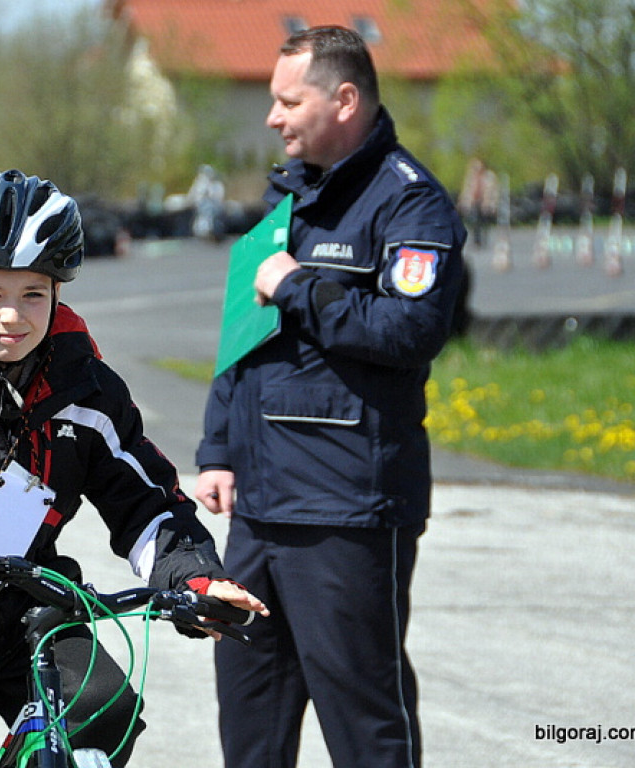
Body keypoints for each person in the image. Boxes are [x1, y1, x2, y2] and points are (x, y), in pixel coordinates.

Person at [0, 169, 266, 768]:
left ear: (58, 294)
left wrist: (192, 577)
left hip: (23, 610)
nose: (13, 316)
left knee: (103, 716)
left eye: (33, 293)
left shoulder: (85, 390)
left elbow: (147, 501)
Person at [194, 27, 465, 768]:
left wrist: (298, 287)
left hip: (346, 507)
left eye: (288, 101)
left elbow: (410, 330)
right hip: (259, 507)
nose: (272, 118)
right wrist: (218, 447)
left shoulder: (410, 206)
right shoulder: (286, 197)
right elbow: (243, 334)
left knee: (363, 720)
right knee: (249, 716)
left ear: (344, 99)